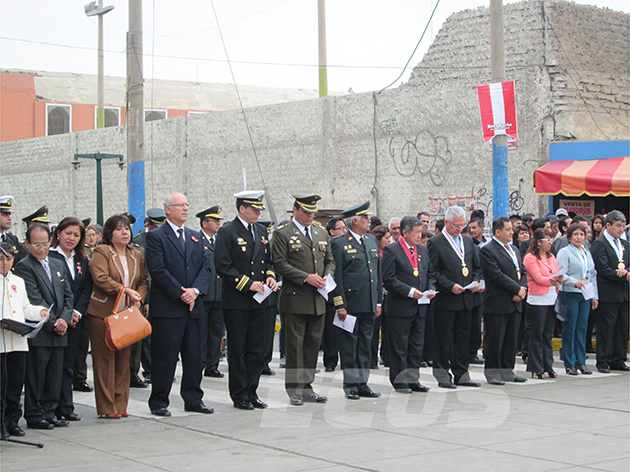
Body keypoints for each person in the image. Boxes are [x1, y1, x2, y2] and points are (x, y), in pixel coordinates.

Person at [146, 193, 213, 416]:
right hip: (168, 308)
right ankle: (159, 401)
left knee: (194, 357)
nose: (185, 209)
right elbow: (158, 270)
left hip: (193, 307)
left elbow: (206, 268)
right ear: (167, 209)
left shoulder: (195, 236)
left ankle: (193, 399)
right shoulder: (156, 236)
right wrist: (181, 293)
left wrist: (195, 291)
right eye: (180, 205)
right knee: (165, 358)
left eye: (186, 205)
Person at [215, 190, 277, 410]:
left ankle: (252, 391)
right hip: (237, 300)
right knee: (237, 349)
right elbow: (223, 266)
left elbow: (268, 261)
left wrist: (270, 276)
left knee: (257, 349)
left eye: (260, 209)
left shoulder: (261, 230)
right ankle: (239, 394)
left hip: (259, 300)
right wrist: (247, 283)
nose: (258, 213)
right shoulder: (227, 232)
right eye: (254, 209)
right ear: (242, 209)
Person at [272, 194, 333, 406]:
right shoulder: (283, 234)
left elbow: (330, 260)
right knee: (295, 346)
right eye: (306, 212)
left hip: (318, 298)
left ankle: (307, 387)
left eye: (313, 212)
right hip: (296, 298)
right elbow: (280, 263)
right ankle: (294, 389)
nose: (310, 216)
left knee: (312, 345)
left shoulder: (320, 232)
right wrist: (306, 277)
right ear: (295, 210)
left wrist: (327, 275)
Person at [86, 215, 149, 418]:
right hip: (103, 313)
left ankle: (121, 404)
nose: (124, 233)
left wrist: (139, 297)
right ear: (109, 233)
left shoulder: (135, 254)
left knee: (124, 360)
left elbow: (143, 280)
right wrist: (125, 290)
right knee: (104, 360)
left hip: (127, 314)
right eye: (119, 229)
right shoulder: (102, 251)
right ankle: (107, 407)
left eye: (127, 229)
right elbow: (100, 278)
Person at [14, 223, 73, 429]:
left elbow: (68, 295)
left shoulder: (57, 263)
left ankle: (49, 412)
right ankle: (34, 414)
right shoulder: (24, 266)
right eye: (36, 244)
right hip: (41, 330)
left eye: (45, 244)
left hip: (60, 329)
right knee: (36, 375)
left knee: (55, 374)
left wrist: (65, 319)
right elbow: (34, 298)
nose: (41, 249)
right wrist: (53, 322)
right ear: (28, 244)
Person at [330, 200, 383, 400]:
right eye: (365, 218)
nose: (368, 221)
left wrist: (378, 301)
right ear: (355, 221)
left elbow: (376, 274)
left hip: (368, 303)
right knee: (349, 346)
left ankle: (363, 383)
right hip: (350, 304)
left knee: (365, 345)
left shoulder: (371, 240)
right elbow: (336, 277)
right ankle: (350, 384)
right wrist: (340, 304)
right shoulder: (339, 243)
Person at [426, 206, 482, 389]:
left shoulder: (467, 241)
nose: (459, 229)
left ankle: (462, 373)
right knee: (443, 339)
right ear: (447, 223)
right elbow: (432, 271)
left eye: (462, 225)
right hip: (446, 299)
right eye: (456, 225)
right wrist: (449, 285)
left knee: (463, 338)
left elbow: (475, 266)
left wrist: (475, 281)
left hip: (466, 297)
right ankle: (442, 375)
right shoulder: (435, 242)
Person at [382, 216, 436, 393]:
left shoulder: (422, 250)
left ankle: (413, 379)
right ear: (405, 233)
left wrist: (430, 288)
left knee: (416, 345)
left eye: (421, 232)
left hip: (420, 306)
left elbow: (430, 273)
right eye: (417, 232)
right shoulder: (392, 250)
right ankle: (399, 380)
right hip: (400, 306)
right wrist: (410, 291)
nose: (420, 236)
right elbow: (389, 279)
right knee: (399, 346)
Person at [0, 242, 48, 439]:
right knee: (1, 383)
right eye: (0, 259)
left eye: (8, 259)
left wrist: (40, 312)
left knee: (15, 384)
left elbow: (25, 307)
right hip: (1, 341)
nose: (4, 263)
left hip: (17, 340)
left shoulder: (18, 281)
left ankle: (12, 421)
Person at [49, 217, 92, 422]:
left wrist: (77, 312)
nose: (71, 238)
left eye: (76, 235)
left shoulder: (81, 258)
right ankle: (50, 407)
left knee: (68, 363)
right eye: (68, 233)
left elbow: (86, 288)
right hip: (55, 319)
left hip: (75, 319)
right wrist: (64, 316)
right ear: (58, 233)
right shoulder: (49, 256)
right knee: (53, 365)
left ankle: (66, 407)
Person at [479, 217, 528, 385]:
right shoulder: (488, 250)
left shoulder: (513, 249)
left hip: (515, 301)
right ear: (498, 232)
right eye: (508, 229)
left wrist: (522, 289)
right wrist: (516, 289)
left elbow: (522, 271)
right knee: (495, 340)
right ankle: (492, 372)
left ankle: (508, 371)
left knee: (510, 339)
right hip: (498, 302)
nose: (512, 232)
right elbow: (496, 275)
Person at [590, 210, 630, 373]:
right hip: (608, 292)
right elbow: (603, 268)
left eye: (623, 226)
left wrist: (626, 272)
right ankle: (604, 360)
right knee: (607, 328)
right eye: (618, 225)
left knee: (622, 327)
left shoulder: (624, 243)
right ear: (608, 225)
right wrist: (621, 275)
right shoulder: (600, 244)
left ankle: (618, 359)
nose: (621, 229)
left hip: (624, 292)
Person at [557, 223, 598, 375]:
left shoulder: (586, 252)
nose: (579, 237)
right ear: (569, 237)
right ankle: (569, 362)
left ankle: (581, 361)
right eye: (576, 234)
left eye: (582, 234)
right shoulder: (564, 252)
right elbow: (561, 274)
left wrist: (594, 296)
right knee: (570, 328)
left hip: (585, 293)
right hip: (570, 293)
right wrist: (575, 282)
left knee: (582, 328)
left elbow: (592, 274)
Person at [523, 228, 562, 379]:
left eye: (551, 240)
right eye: (548, 240)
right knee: (537, 334)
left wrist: (559, 279)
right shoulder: (530, 257)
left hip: (552, 297)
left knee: (547, 334)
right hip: (538, 299)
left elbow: (556, 272)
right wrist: (553, 281)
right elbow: (538, 277)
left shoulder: (551, 256)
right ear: (539, 242)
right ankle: (536, 366)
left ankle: (548, 365)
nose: (550, 243)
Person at [195, 205, 225, 379]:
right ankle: (199, 363)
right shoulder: (196, 240)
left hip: (219, 294)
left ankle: (212, 365)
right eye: (214, 220)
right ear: (204, 223)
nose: (218, 223)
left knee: (216, 332)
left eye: (219, 220)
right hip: (203, 295)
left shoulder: (220, 241)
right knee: (201, 332)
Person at [321, 217, 346, 372]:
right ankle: (330, 361)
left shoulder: (346, 244)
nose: (344, 231)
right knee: (330, 331)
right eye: (341, 228)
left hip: (345, 293)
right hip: (330, 293)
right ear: (332, 232)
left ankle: (345, 359)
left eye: (345, 228)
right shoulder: (332, 245)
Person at [370, 225, 391, 370]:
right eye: (386, 238)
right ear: (378, 240)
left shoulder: (390, 253)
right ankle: (372, 359)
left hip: (389, 294)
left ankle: (387, 357)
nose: (389, 241)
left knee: (388, 328)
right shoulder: (373, 253)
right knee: (374, 327)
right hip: (377, 293)